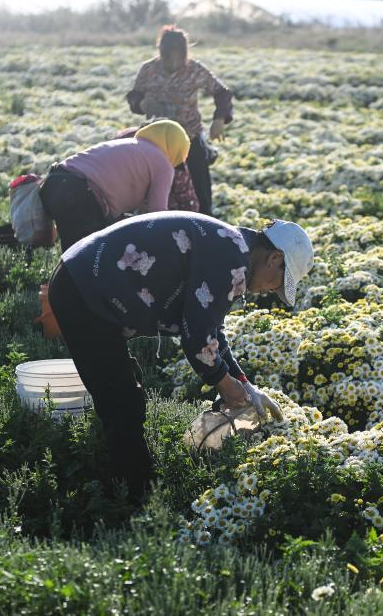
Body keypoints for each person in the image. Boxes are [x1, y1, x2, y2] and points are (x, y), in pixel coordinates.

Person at [46, 212, 315, 500]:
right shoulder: (230, 259)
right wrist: (224, 384)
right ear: (274, 258)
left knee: (124, 387)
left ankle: (124, 479)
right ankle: (137, 502)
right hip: (84, 290)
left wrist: (244, 385)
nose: (270, 291)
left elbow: (211, 330)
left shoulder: (233, 248)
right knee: (121, 403)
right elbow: (197, 339)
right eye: (278, 282)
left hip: (83, 279)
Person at [127, 25, 233, 215]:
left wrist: (219, 119)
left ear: (185, 53)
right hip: (157, 143)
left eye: (179, 56)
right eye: (169, 57)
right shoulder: (149, 69)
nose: (174, 61)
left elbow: (222, 93)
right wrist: (142, 104)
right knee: (157, 195)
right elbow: (134, 96)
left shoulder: (195, 70)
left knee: (200, 195)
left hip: (189, 139)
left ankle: (204, 227)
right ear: (161, 53)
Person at [39, 120, 189, 253]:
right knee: (86, 259)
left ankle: (55, 282)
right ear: (175, 149)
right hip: (79, 194)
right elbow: (157, 214)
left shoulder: (128, 144)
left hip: (54, 182)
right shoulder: (163, 165)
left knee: (71, 256)